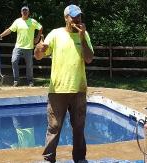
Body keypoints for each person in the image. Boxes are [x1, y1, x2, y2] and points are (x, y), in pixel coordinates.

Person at [34, 4, 94, 163]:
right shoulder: (55, 34)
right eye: (73, 16)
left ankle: (80, 158)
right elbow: (39, 56)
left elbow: (89, 58)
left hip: (79, 89)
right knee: (54, 127)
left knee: (79, 127)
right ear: (66, 18)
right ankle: (48, 159)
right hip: (57, 90)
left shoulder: (84, 34)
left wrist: (82, 38)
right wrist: (38, 48)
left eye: (79, 16)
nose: (77, 19)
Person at [0, 6, 43, 87]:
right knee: (14, 61)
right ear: (21, 12)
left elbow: (40, 28)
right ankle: (16, 80)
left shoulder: (32, 21)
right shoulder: (17, 21)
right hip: (18, 46)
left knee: (29, 65)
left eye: (26, 11)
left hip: (29, 47)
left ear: (28, 12)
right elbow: (10, 29)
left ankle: (30, 81)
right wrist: (1, 35)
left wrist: (37, 38)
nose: (25, 12)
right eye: (23, 11)